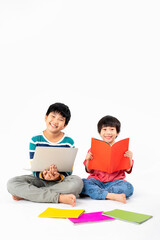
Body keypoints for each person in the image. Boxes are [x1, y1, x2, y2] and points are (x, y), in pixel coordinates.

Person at [7, 103, 83, 207]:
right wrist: (44, 176)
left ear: (65, 125)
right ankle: (59, 197)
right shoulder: (35, 140)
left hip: (60, 181)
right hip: (39, 179)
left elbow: (69, 170)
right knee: (12, 183)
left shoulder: (69, 142)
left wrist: (56, 177)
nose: (55, 121)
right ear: (46, 117)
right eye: (53, 116)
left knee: (77, 182)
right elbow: (34, 168)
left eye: (61, 119)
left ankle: (29, 194)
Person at [81, 115, 134, 204]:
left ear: (117, 132)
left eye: (112, 129)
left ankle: (97, 193)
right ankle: (111, 195)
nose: (108, 132)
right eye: (104, 129)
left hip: (115, 182)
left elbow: (128, 170)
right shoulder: (94, 148)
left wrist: (129, 158)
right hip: (96, 181)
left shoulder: (123, 149)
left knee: (129, 188)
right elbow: (89, 170)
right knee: (82, 184)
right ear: (99, 132)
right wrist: (88, 160)